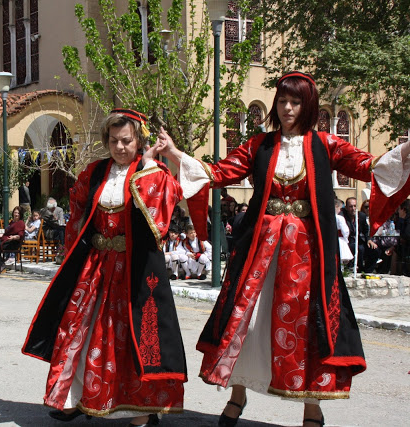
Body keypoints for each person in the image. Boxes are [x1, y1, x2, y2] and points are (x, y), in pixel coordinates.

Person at [158, 71, 410, 427]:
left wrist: (407, 149)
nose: (288, 107)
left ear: (307, 106)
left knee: (307, 325)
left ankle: (312, 406)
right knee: (249, 316)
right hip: (260, 249)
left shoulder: (326, 144)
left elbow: (368, 166)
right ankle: (238, 394)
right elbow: (217, 173)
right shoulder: (259, 144)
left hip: (307, 254)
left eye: (295, 102)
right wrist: (173, 152)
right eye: (282, 101)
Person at [23, 109, 187, 426]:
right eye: (114, 141)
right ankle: (72, 398)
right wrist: (74, 247)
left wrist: (153, 165)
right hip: (96, 266)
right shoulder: (96, 171)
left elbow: (167, 204)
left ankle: (140, 411)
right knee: (78, 330)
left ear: (138, 140)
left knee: (132, 338)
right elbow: (78, 209)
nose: (120, 147)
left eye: (126, 140)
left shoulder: (151, 170)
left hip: (134, 271)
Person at [0, 206, 25, 274]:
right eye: (15, 212)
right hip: (5, 240)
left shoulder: (21, 223)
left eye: (18, 213)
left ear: (20, 214)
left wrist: (13, 237)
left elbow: (20, 235)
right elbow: (5, 234)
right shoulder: (12, 222)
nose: (16, 214)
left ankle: (1, 265)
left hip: (12, 243)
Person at [341, 197, 371, 271]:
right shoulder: (343, 216)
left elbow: (366, 230)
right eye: (351, 206)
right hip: (348, 241)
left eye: (355, 206)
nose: (353, 208)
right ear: (346, 208)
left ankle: (368, 269)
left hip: (359, 240)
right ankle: (359, 268)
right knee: (359, 249)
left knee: (375, 250)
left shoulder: (361, 216)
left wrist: (369, 240)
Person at [335, 199, 353, 265]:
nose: (340, 210)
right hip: (340, 239)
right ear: (336, 207)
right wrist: (346, 239)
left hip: (331, 239)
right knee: (341, 257)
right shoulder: (340, 218)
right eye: (340, 208)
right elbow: (345, 230)